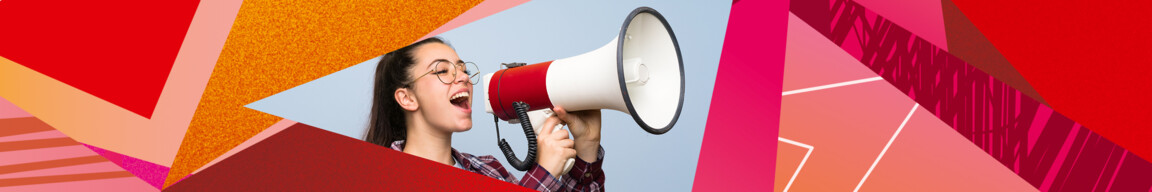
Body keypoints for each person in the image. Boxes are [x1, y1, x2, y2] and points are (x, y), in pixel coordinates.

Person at [365, 37, 605, 191]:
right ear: (407, 98)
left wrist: (587, 145)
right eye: (442, 71)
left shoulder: (488, 169)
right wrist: (543, 174)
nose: (463, 77)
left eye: (463, 69)